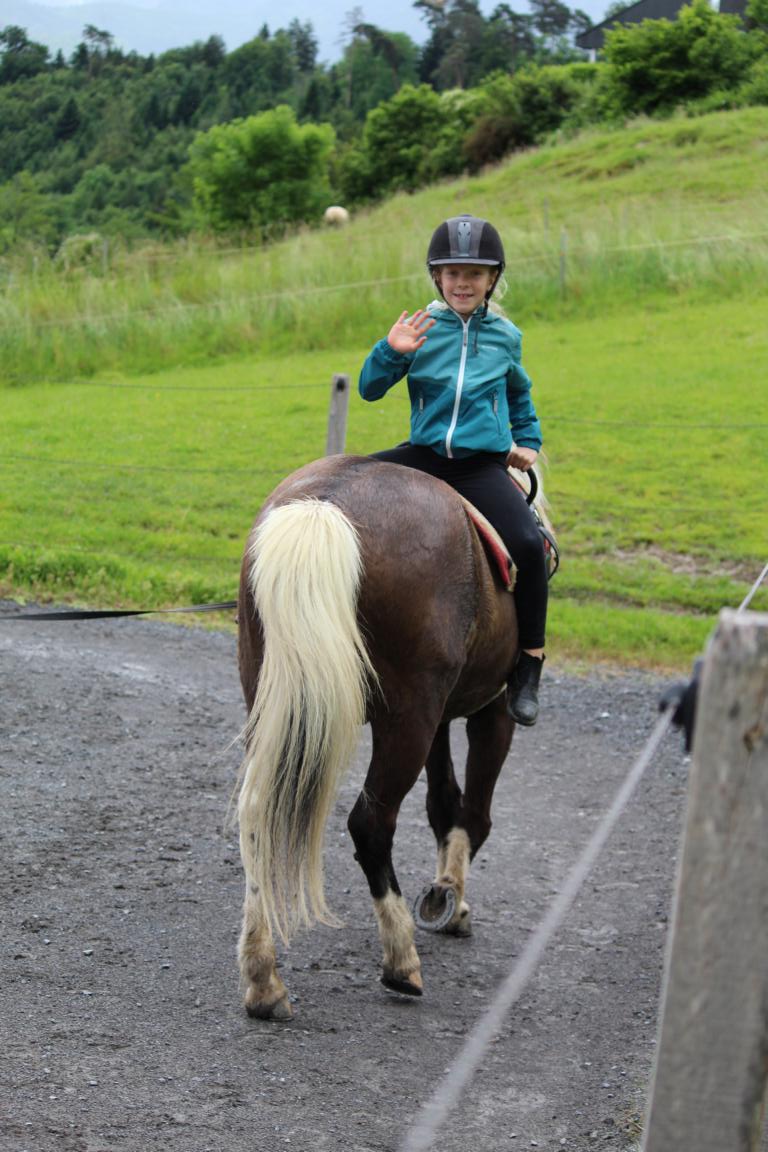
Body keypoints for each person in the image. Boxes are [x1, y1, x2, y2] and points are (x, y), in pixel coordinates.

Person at [358, 213, 549, 725]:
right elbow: (369, 389)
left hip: (477, 468)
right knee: (337, 489)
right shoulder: (420, 329)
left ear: (492, 279)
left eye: (474, 274)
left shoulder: (506, 337)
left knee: (530, 546)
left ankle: (529, 663)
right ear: (437, 277)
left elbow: (518, 393)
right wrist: (391, 352)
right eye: (452, 273)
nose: (462, 283)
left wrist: (528, 441)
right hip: (423, 457)